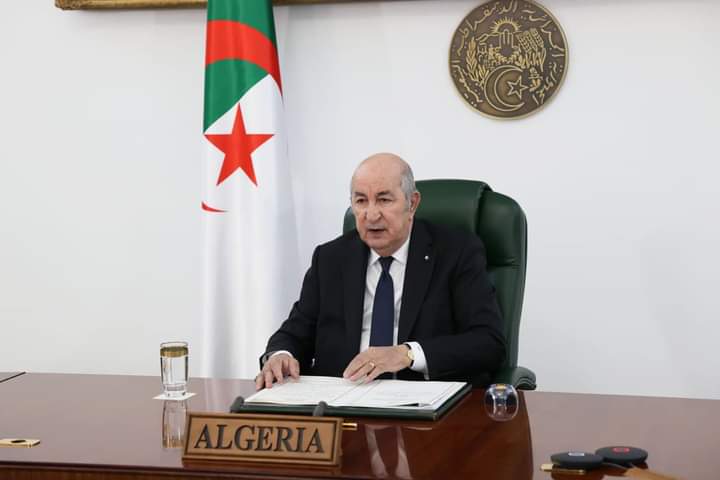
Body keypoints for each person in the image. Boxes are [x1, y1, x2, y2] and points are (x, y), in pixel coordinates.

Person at [255, 153, 506, 389]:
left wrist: (407, 353)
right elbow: (294, 333)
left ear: (412, 203)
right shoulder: (330, 258)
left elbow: (488, 342)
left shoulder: (456, 252)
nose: (371, 215)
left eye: (384, 200)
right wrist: (280, 355)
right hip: (341, 401)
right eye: (361, 201)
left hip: (420, 402)